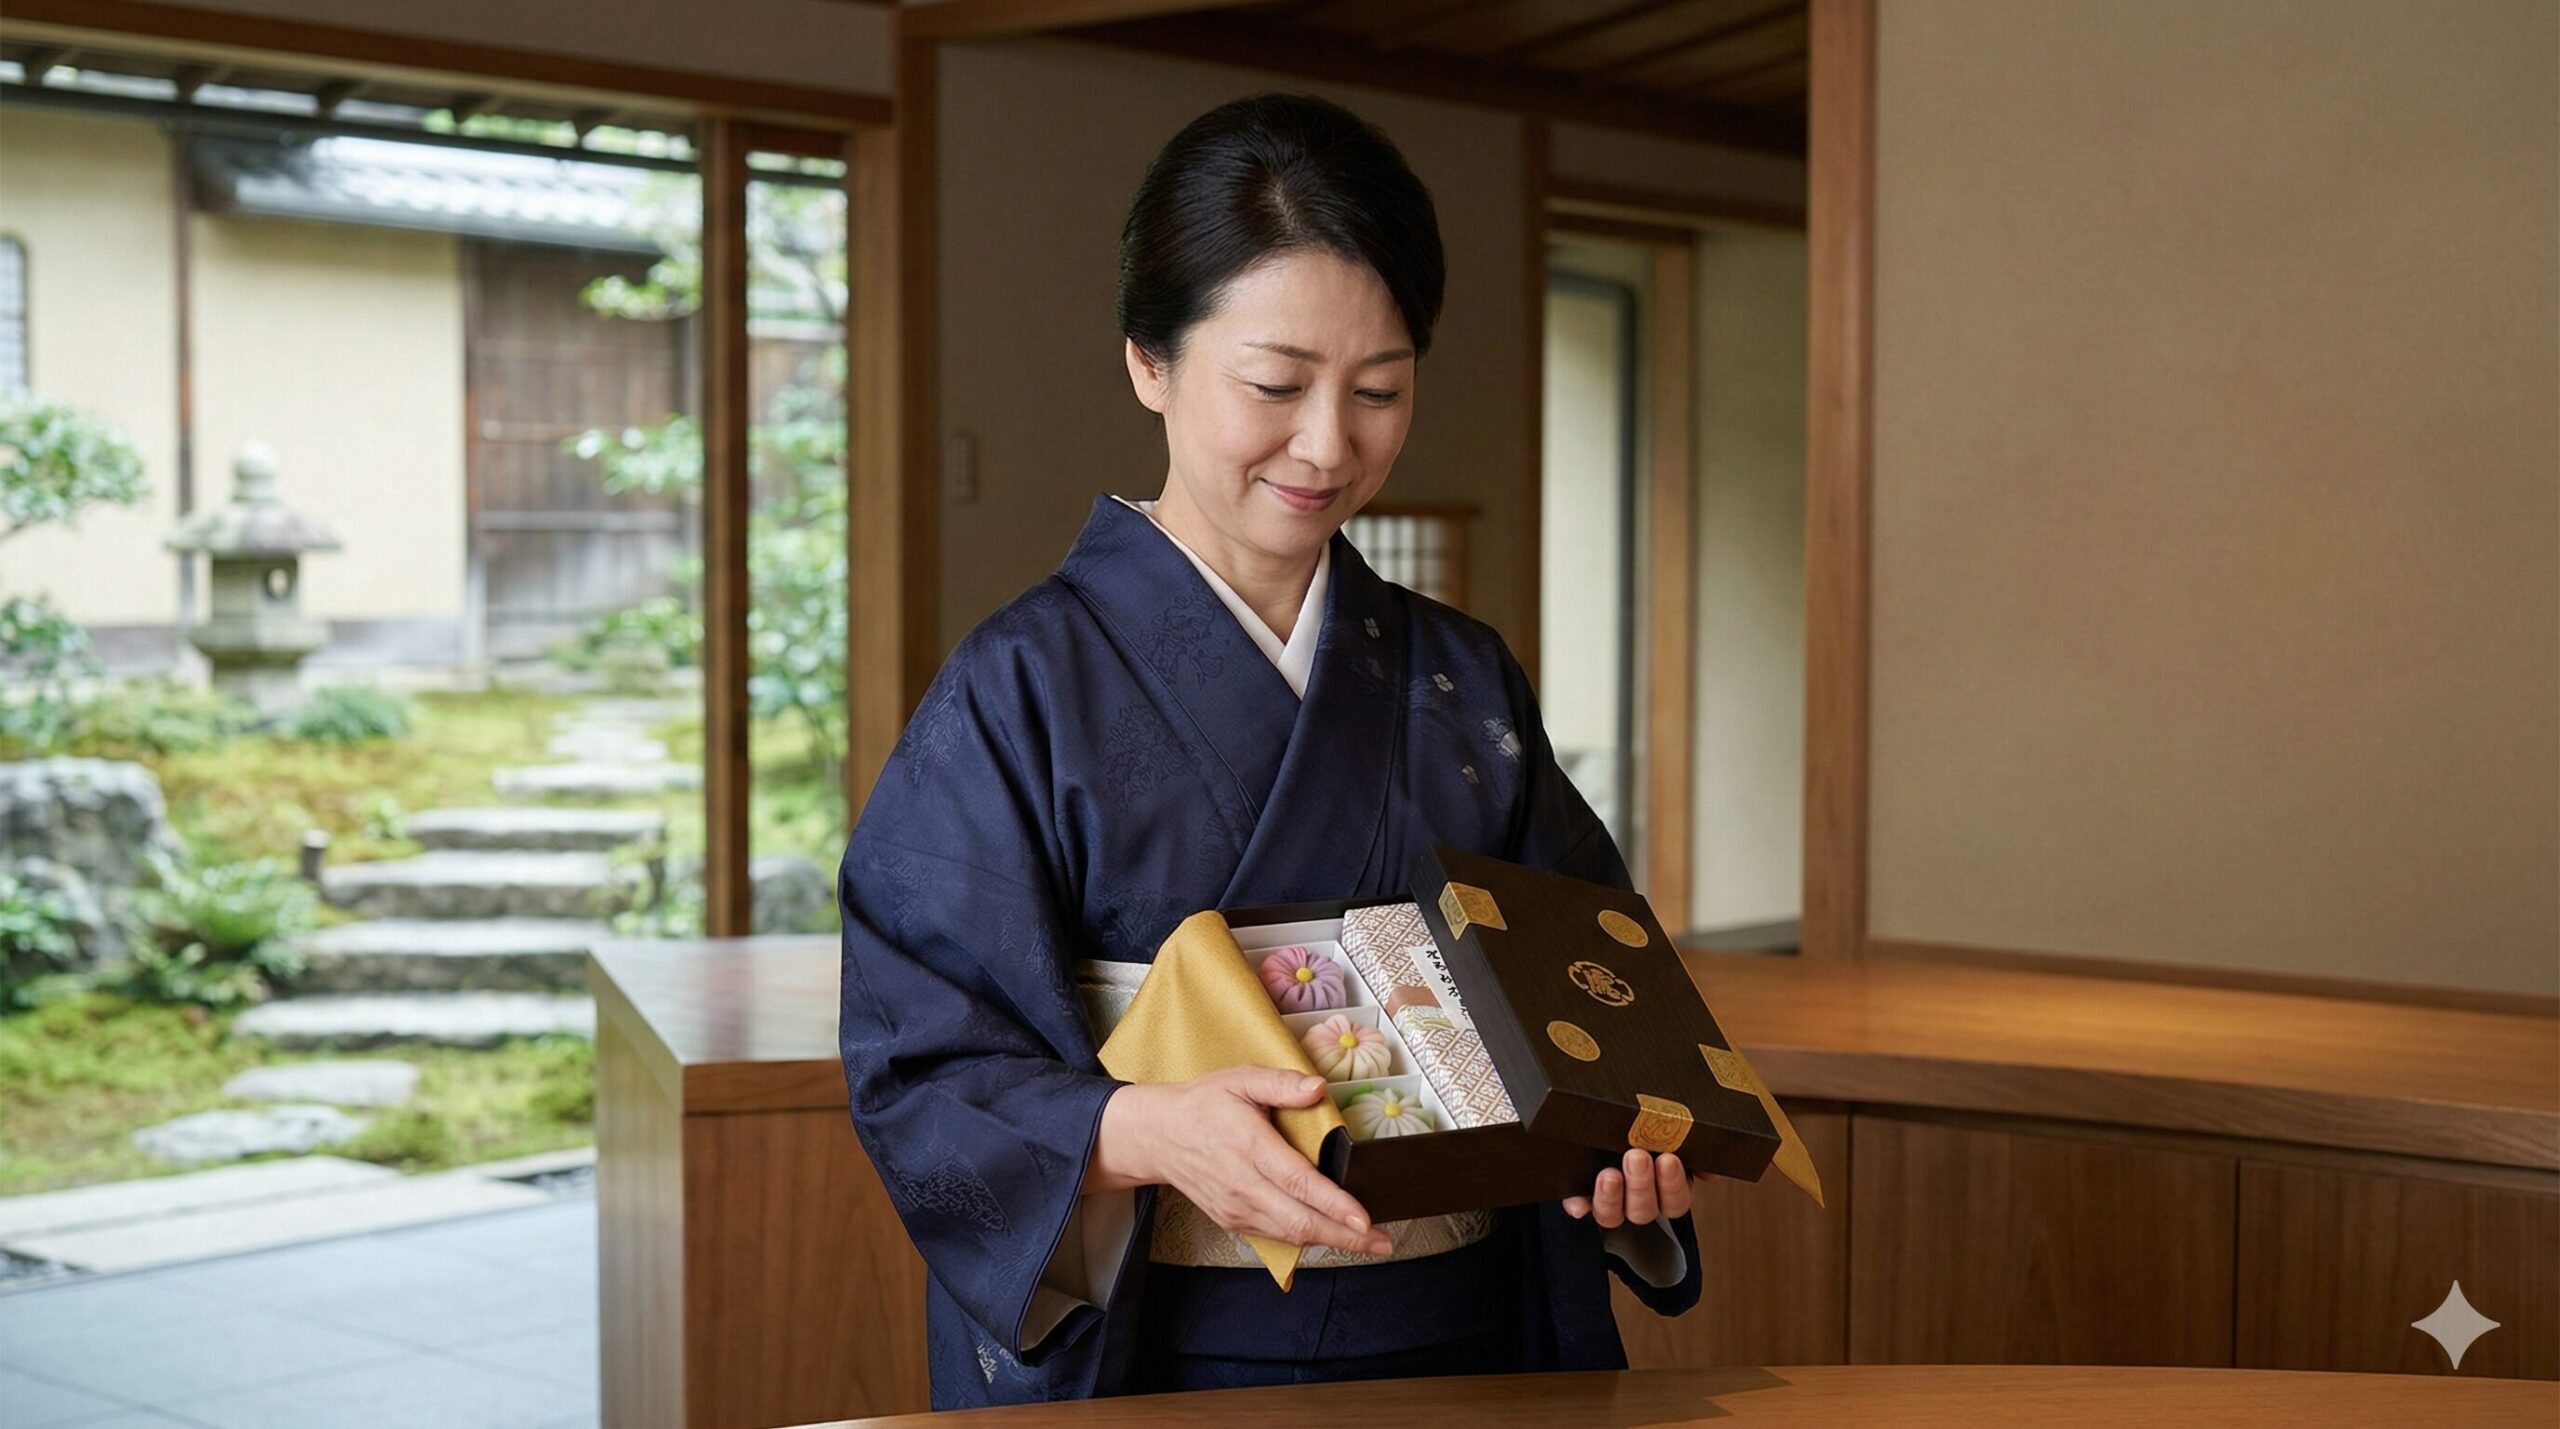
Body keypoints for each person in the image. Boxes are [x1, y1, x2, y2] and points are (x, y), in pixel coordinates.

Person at [837, 92, 1702, 1410]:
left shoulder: (1463, 679)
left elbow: (1596, 990)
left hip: (1466, 1335)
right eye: (1275, 384)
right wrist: (1140, 1127)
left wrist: (1629, 1152)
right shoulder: (1018, 687)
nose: (1328, 443)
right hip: (1166, 1358)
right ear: (1150, 361)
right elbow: (920, 1062)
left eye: (1380, 391)